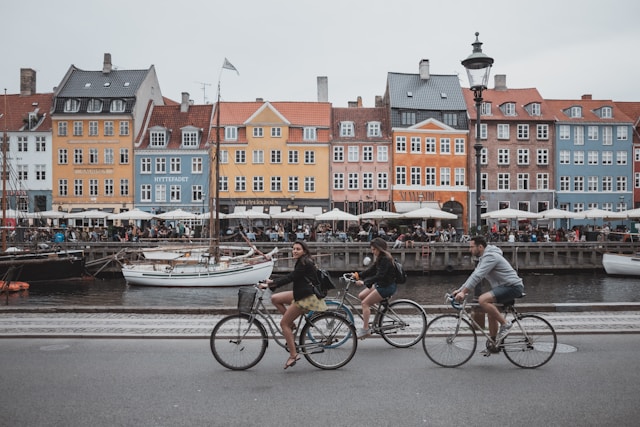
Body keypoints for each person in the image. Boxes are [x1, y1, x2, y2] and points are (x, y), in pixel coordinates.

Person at [260, 240, 326, 369]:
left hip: (306, 297)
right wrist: (272, 281)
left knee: (283, 324)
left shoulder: (304, 263)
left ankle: (293, 355)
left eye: (298, 249)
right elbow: (291, 276)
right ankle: (292, 324)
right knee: (275, 298)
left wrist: (269, 284)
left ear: (304, 251)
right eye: (293, 248)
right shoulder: (303, 261)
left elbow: (291, 277)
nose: (295, 251)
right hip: (301, 292)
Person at [453, 236, 524, 351]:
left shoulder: (491, 257)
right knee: (491, 312)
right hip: (503, 287)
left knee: (482, 300)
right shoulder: (484, 258)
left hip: (512, 287)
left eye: (471, 247)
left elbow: (477, 276)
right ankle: (494, 344)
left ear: (480, 247)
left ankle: (506, 324)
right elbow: (474, 275)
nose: (469, 250)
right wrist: (461, 290)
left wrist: (464, 292)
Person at [352, 237, 397, 339]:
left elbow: (379, 276)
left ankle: (366, 330)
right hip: (381, 284)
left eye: (374, 249)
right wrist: (357, 275)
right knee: (361, 295)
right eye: (372, 249)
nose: (372, 251)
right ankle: (378, 311)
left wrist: (364, 282)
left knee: (365, 303)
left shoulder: (385, 259)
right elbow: (371, 270)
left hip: (387, 287)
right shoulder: (380, 258)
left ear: (379, 248)